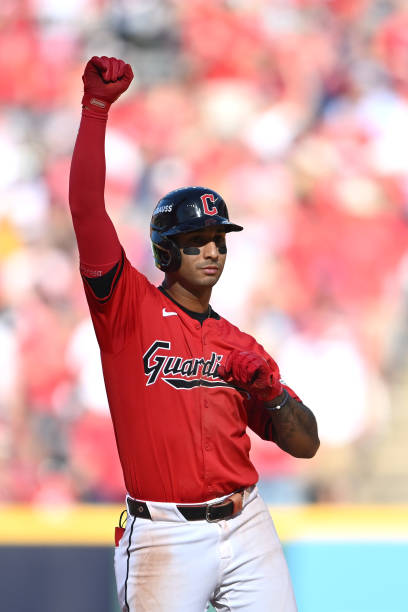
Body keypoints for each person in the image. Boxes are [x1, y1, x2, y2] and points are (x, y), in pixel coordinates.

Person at [69, 56, 320, 612]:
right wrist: (96, 109)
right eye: (195, 240)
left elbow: (306, 444)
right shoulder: (127, 310)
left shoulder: (241, 345)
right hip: (164, 534)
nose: (211, 251)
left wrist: (272, 395)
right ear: (165, 251)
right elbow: (86, 211)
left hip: (247, 522)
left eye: (219, 240)